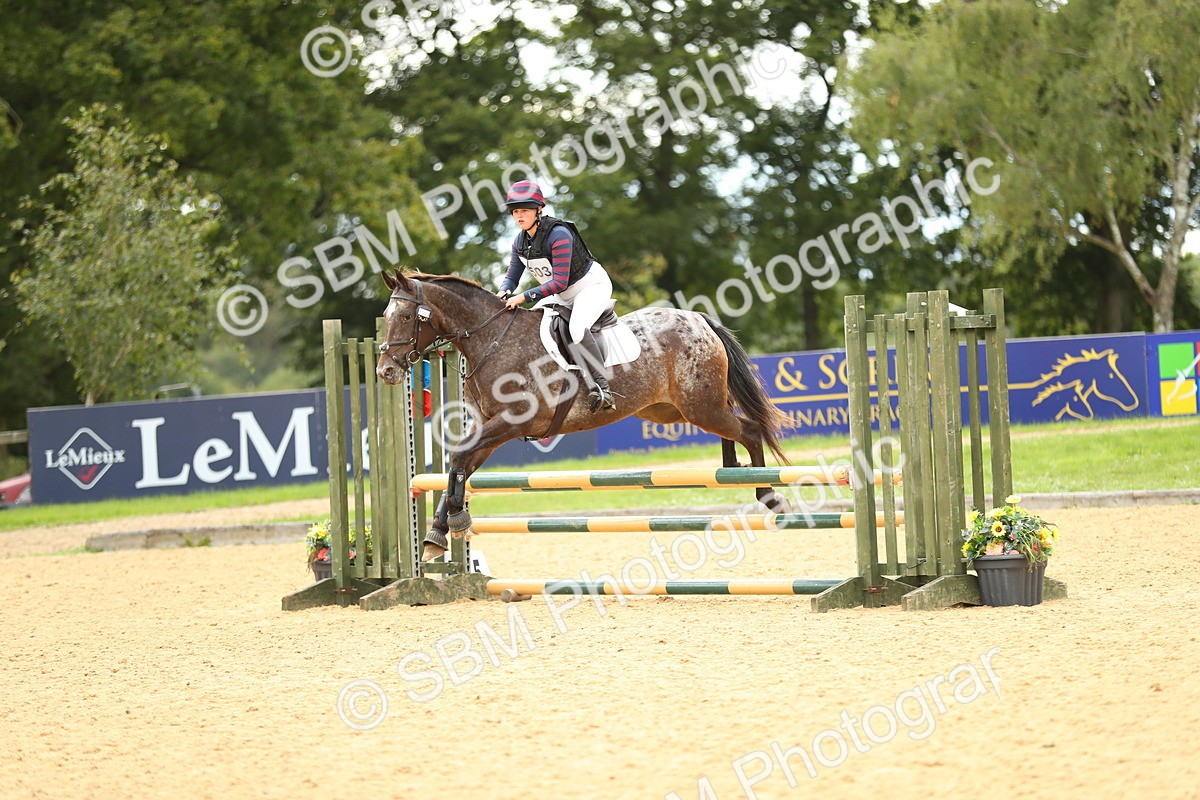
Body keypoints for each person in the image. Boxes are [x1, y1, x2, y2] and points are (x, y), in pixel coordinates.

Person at [497, 179, 616, 412]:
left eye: (525, 210)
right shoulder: (519, 242)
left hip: (590, 286)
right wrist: (503, 292)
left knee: (576, 327)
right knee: (531, 323)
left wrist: (522, 297)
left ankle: (602, 388)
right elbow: (512, 277)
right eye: (515, 211)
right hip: (562, 293)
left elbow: (560, 281)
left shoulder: (558, 234)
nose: (519, 216)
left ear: (538, 210)